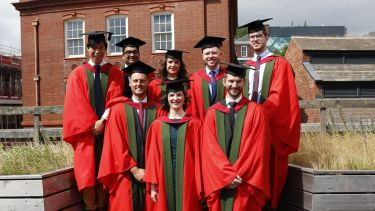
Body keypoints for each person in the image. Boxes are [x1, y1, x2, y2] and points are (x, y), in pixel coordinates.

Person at [240, 18, 301, 210]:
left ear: (266, 37)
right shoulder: (245, 66)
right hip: (247, 128)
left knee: (269, 171)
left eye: (259, 35)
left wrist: (256, 115)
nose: (255, 39)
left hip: (269, 127)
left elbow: (279, 96)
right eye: (252, 37)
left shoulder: (279, 63)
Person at [63, 31, 124, 211]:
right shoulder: (77, 73)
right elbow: (76, 103)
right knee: (87, 171)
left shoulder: (114, 72)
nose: (97, 51)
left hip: (108, 129)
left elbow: (116, 99)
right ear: (87, 49)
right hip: (86, 132)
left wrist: (103, 120)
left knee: (106, 167)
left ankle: (103, 205)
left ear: (106, 49)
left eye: (101, 48)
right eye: (94, 48)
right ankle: (90, 207)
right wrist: (92, 123)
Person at [201, 63, 271, 211]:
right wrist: (226, 177)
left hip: (246, 181)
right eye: (231, 81)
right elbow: (209, 150)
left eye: (238, 81)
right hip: (220, 182)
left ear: (244, 83)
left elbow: (258, 149)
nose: (234, 85)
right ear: (224, 82)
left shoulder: (257, 111)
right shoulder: (212, 113)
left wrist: (237, 176)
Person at [98, 61, 157, 211]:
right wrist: (134, 169)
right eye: (135, 81)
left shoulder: (158, 110)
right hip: (125, 174)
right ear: (129, 83)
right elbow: (116, 144)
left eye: (142, 81)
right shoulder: (118, 110)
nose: (139, 84)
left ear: (148, 83)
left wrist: (151, 170)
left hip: (153, 175)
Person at [144, 79, 203, 211]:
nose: (175, 98)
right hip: (163, 178)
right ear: (166, 98)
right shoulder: (157, 125)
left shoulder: (195, 124)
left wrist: (200, 185)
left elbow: (201, 156)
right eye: (171, 95)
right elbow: (153, 156)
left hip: (188, 179)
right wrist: (153, 186)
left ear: (184, 97)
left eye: (179, 95)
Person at [189, 36, 227, 120]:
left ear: (220, 54)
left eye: (214, 53)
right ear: (202, 56)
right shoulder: (194, 79)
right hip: (203, 124)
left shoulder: (229, 76)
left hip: (225, 124)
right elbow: (192, 106)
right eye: (207, 53)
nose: (210, 56)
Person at [149, 50, 190, 115]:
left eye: (176, 62)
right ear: (165, 64)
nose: (173, 65)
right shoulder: (155, 84)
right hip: (160, 118)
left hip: (181, 117)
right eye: (170, 62)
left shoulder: (186, 83)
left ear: (180, 65)